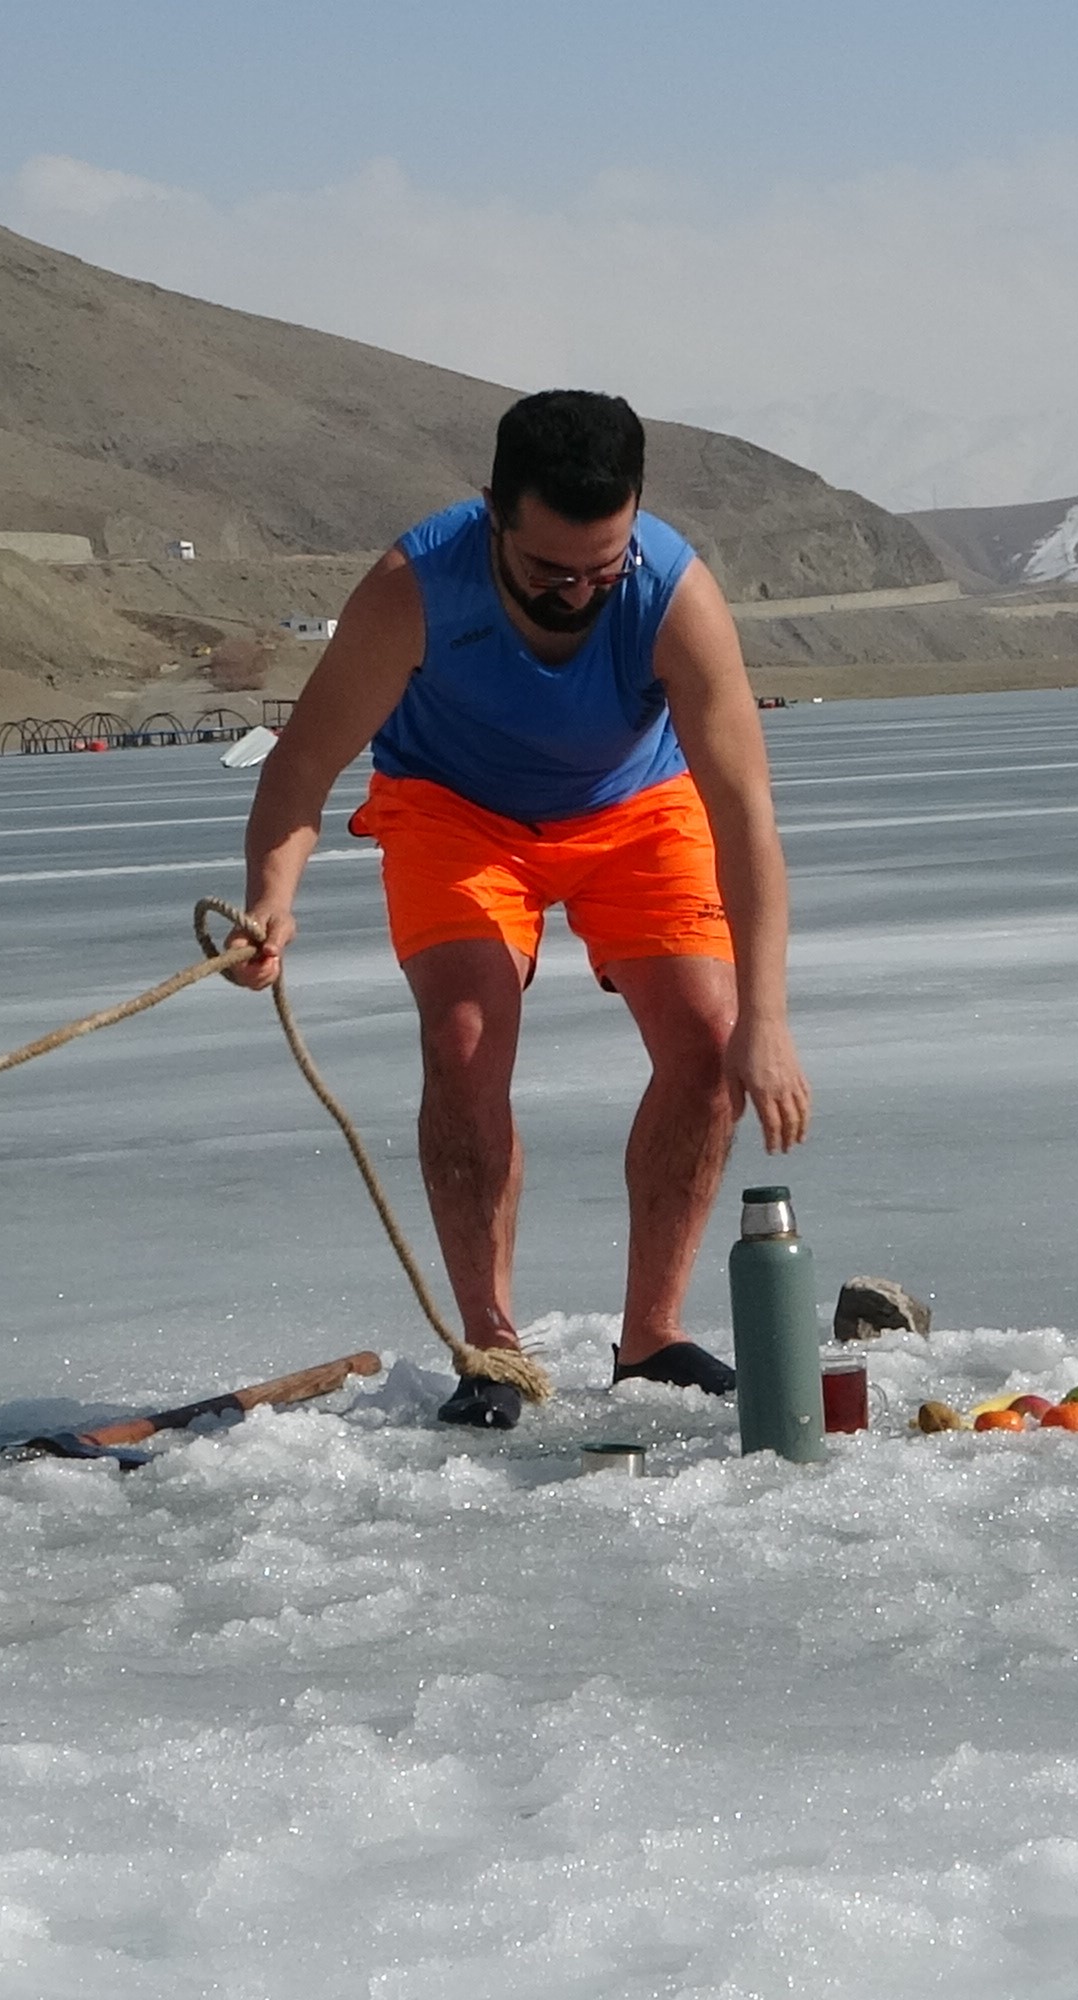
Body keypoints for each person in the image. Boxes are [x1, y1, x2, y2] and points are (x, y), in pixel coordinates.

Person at [229, 390, 812, 1428]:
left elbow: (745, 815)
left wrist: (766, 1020)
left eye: (603, 568)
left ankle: (652, 1338)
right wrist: (270, 899)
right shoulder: (414, 586)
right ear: (494, 513)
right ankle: (491, 1348)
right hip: (456, 812)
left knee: (710, 1037)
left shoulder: (675, 593)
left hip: (635, 808)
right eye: (549, 573)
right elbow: (304, 765)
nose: (579, 596)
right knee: (463, 1036)